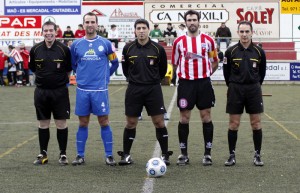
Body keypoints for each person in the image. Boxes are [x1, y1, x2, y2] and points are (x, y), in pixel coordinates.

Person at [118, 18, 173, 166]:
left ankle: (165, 154)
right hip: (134, 89)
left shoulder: (158, 48)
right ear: (135, 31)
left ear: (148, 30)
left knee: (159, 122)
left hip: (153, 89)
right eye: (138, 28)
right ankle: (126, 155)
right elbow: (125, 70)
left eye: (144, 28)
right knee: (130, 123)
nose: (141, 31)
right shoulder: (128, 48)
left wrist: (152, 80)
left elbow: (162, 70)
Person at [70, 12, 119, 166]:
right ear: (83, 24)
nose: (90, 24)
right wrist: (81, 76)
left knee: (104, 121)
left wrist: (105, 78)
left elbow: (115, 63)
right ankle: (80, 155)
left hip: (100, 90)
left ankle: (109, 155)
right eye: (87, 22)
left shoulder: (105, 44)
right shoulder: (76, 45)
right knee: (83, 122)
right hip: (83, 90)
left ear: (97, 24)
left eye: (92, 22)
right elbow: (73, 64)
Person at [171, 10, 219, 166]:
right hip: (186, 84)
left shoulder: (209, 41)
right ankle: (183, 154)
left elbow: (214, 61)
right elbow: (175, 63)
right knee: (184, 117)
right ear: (185, 22)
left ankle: (207, 154)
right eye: (189, 20)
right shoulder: (178, 42)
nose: (192, 22)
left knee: (206, 116)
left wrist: (205, 74)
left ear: (199, 22)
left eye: (194, 19)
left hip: (204, 84)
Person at [223, 20, 266, 167]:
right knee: (234, 124)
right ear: (238, 33)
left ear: (252, 32)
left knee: (256, 123)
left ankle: (257, 154)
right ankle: (231, 155)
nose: (244, 34)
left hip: (253, 89)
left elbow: (262, 72)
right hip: (235, 89)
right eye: (242, 31)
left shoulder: (260, 51)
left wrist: (254, 85)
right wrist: (234, 86)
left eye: (247, 31)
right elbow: (226, 72)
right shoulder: (230, 51)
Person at [29, 21, 72, 165]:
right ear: (42, 32)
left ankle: (63, 154)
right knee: (43, 123)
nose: (48, 33)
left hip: (60, 92)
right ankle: (43, 153)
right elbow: (34, 69)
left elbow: (68, 70)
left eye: (51, 30)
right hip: (41, 92)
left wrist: (58, 81)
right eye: (45, 31)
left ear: (56, 32)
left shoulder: (64, 49)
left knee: (61, 123)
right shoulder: (35, 49)